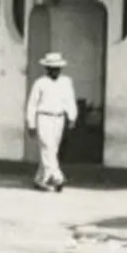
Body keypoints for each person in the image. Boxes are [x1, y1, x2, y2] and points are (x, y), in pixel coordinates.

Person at [25, 52, 77, 192]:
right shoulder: (40, 83)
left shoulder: (66, 82)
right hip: (44, 117)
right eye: (52, 68)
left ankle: (40, 178)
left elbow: (69, 100)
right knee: (47, 147)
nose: (55, 71)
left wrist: (72, 116)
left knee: (52, 149)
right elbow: (32, 104)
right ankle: (57, 176)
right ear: (46, 68)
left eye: (57, 68)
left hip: (59, 118)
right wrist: (31, 124)